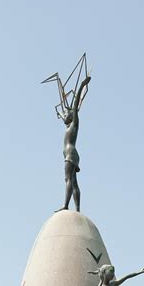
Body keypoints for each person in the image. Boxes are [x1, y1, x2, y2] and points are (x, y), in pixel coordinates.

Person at [56, 75, 91, 212]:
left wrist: (82, 84)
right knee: (74, 182)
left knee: (68, 179)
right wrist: (61, 114)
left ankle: (66, 205)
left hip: (70, 154)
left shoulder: (74, 124)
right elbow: (63, 117)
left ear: (72, 115)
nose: (64, 116)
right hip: (72, 154)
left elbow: (75, 106)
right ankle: (77, 209)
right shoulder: (68, 126)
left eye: (67, 114)